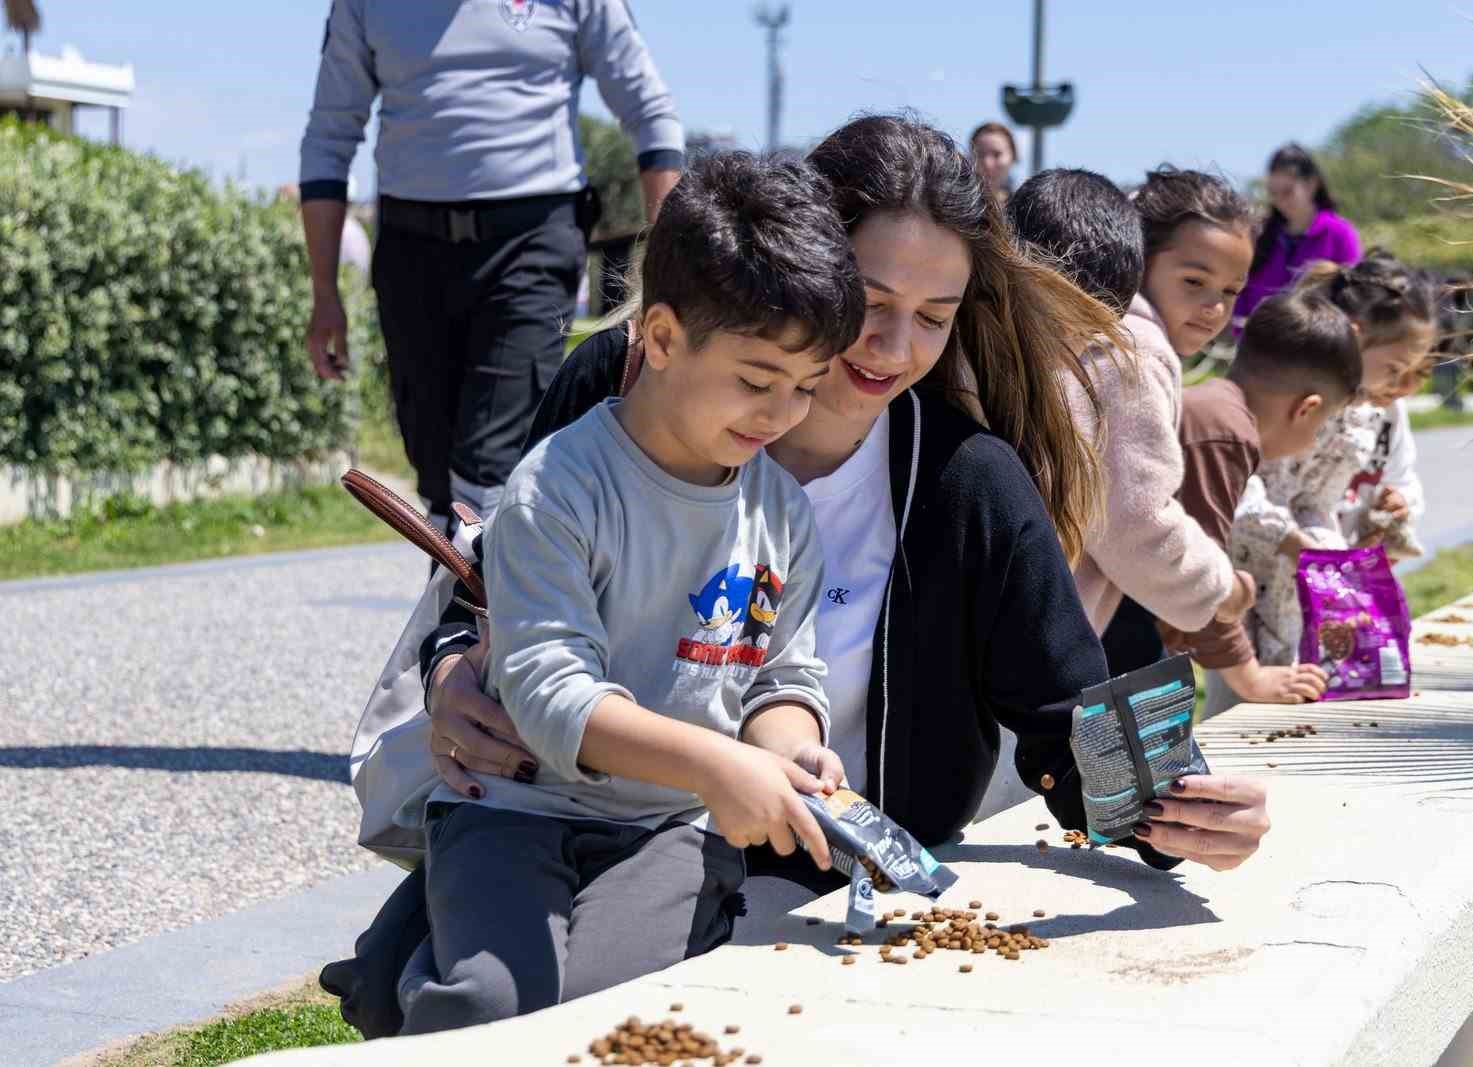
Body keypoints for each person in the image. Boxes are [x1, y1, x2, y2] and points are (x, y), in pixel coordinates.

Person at [322, 115, 1274, 1039]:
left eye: (934, 319)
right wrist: (453, 673)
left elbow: (1065, 712)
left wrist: (1177, 811)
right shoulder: (625, 385)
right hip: (566, 809)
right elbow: (492, 573)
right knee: (495, 1004)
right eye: (869, 300)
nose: (894, 349)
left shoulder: (965, 478)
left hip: (797, 869)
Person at [395, 153, 860, 1035]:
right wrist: (720, 764)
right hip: (515, 810)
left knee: (618, 1015)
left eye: (805, 388)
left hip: (667, 831)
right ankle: (397, 973)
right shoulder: (556, 489)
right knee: (493, 1007)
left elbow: (779, 677)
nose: (781, 415)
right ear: (661, 336)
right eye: (757, 380)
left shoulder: (782, 512)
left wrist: (789, 750)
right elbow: (549, 695)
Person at [298, 0, 684, 532]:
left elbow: (650, 113)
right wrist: (324, 293)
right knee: (434, 468)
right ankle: (464, 595)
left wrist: (668, 274)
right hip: (412, 248)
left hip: (531, 241)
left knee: (490, 460)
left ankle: (478, 610)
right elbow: (328, 140)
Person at [1004, 168, 1255, 668]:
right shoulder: (1137, 349)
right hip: (1042, 629)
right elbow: (1132, 520)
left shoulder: (1101, 330)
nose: (1212, 307)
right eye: (1194, 281)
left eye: (1230, 291)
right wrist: (1221, 588)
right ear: (1140, 262)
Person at [1229, 253, 1438, 686]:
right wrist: (1297, 543)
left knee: (1315, 683)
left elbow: (1320, 500)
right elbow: (1239, 484)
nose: (1399, 386)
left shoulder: (1366, 413)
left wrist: (1334, 555)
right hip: (1249, 577)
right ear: (1355, 338)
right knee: (1246, 695)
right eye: (1395, 369)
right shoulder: (1281, 390)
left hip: (1311, 577)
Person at [1158, 293, 1364, 712]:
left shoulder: (1215, 413)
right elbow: (1200, 570)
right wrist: (1249, 676)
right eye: (1322, 426)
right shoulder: (1224, 433)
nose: (1313, 441)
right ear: (1307, 409)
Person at [1234, 144, 1361, 326]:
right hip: (1257, 344)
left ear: (1311, 184)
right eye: (1273, 193)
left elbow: (1353, 296)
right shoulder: (1260, 234)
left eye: (1287, 191)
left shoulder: (1340, 233)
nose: (1279, 201)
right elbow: (1241, 290)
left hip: (1318, 343)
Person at [969, 121, 1018, 204]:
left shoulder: (1024, 206)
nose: (988, 164)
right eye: (980, 154)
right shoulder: (955, 206)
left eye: (996, 154)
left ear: (1013, 156)